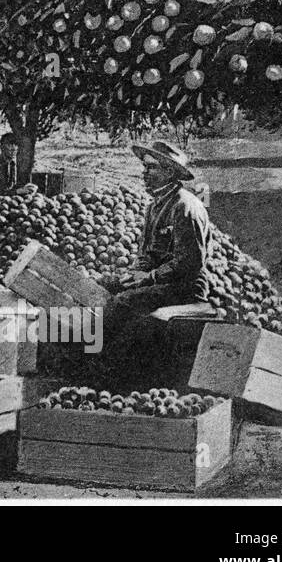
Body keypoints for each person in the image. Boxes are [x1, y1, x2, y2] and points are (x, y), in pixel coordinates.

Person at [100, 141, 213, 385]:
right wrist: (133, 273)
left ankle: (110, 373)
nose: (144, 173)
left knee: (123, 302)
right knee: (106, 286)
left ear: (169, 172)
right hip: (162, 282)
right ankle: (105, 362)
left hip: (185, 287)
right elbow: (147, 253)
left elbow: (189, 262)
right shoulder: (154, 205)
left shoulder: (185, 206)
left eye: (151, 168)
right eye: (144, 166)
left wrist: (148, 278)